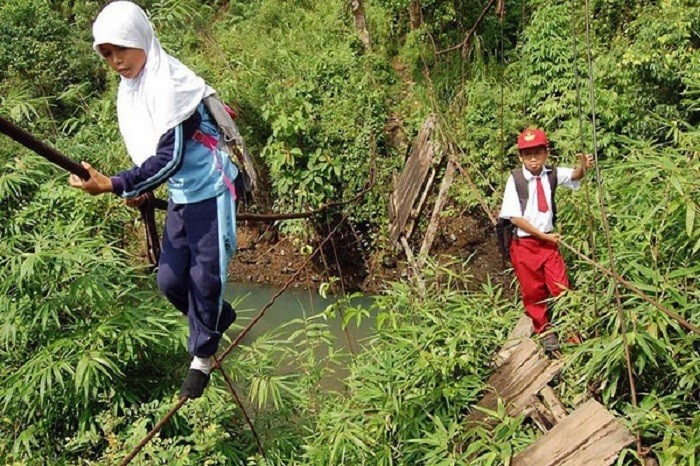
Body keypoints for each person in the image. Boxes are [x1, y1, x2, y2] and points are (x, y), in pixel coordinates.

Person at [69, 0, 238, 398]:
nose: (115, 61)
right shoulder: (133, 88)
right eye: (106, 53)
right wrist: (138, 186)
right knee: (169, 281)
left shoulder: (171, 84)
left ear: (141, 39)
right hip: (181, 191)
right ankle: (215, 320)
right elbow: (152, 152)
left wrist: (115, 183)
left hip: (210, 189)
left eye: (121, 49)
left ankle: (202, 357)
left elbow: (170, 155)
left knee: (204, 277)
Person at [498, 128, 594, 353]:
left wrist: (583, 167)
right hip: (525, 245)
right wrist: (543, 236)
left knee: (562, 287)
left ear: (546, 153)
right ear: (520, 157)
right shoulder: (516, 180)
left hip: (548, 245)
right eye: (528, 154)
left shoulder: (550, 173)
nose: (533, 158)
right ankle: (545, 331)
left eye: (538, 153)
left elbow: (574, 176)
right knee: (533, 292)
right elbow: (515, 218)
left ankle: (572, 332)